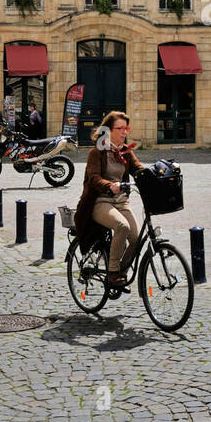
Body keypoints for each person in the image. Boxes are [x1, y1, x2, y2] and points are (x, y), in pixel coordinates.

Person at [73, 111, 145, 289]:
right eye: (120, 128)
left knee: (137, 239)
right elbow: (93, 178)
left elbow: (139, 169)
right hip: (100, 202)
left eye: (126, 128)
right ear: (108, 130)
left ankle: (121, 271)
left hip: (121, 202)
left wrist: (158, 172)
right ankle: (113, 273)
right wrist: (109, 185)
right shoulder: (97, 152)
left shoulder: (126, 151)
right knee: (122, 226)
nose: (124, 132)